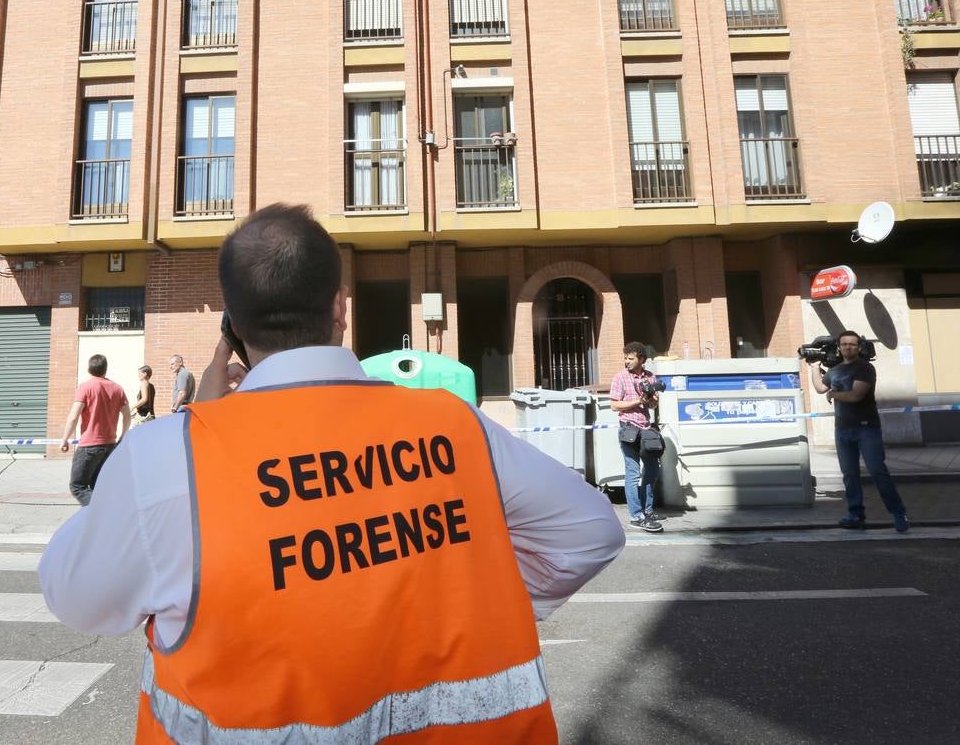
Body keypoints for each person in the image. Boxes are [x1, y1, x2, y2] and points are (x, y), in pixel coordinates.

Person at [40, 203, 625, 742]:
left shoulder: (166, 457)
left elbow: (77, 598)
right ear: (340, 307)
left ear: (234, 328)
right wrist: (473, 595)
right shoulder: (454, 423)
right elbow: (591, 532)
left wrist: (204, 426)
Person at [808, 330, 909, 532]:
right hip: (842, 430)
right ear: (839, 347)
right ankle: (855, 515)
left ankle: (899, 513)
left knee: (878, 472)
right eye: (844, 344)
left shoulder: (865, 368)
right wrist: (813, 368)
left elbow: (856, 395)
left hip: (866, 429)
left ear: (858, 347)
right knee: (849, 475)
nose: (848, 347)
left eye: (852, 344)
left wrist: (834, 394)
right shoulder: (835, 370)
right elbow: (820, 388)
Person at [60, 354, 131, 506]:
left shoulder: (85, 387)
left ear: (89, 368)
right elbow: (127, 415)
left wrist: (65, 439)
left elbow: (73, 417)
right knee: (97, 486)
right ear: (106, 369)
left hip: (89, 446)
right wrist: (122, 437)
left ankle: (100, 513)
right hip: (110, 445)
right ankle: (100, 518)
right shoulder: (118, 389)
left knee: (77, 486)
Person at [610, 341, 664, 533]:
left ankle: (648, 510)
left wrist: (652, 400)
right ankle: (636, 515)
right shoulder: (620, 378)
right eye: (625, 358)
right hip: (628, 429)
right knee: (633, 473)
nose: (627, 361)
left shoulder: (650, 377)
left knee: (652, 471)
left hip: (646, 429)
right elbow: (615, 405)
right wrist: (637, 401)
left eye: (630, 358)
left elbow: (651, 407)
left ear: (641, 359)